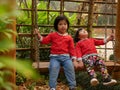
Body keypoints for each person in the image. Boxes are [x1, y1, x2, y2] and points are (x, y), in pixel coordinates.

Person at [34, 15, 78, 90]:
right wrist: (38, 35)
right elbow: (44, 41)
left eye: (65, 24)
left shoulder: (69, 37)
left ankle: (72, 86)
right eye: (60, 24)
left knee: (70, 68)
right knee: (53, 68)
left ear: (67, 25)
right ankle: (52, 87)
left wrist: (74, 60)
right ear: (56, 26)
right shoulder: (52, 35)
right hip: (55, 57)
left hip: (66, 58)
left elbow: (72, 49)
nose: (63, 26)